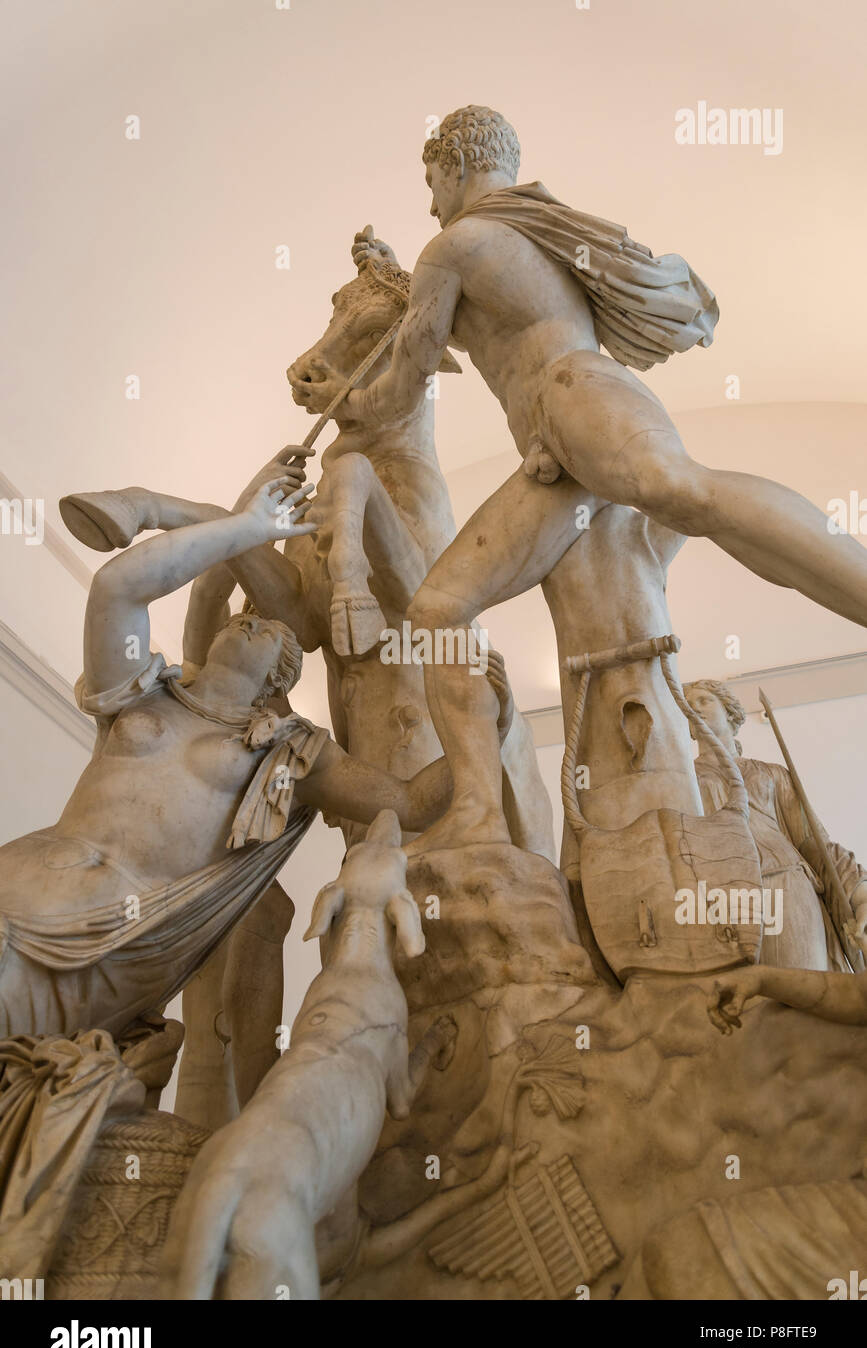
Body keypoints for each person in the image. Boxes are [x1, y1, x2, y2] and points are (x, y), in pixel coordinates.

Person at [296, 105, 867, 853]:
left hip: (576, 395)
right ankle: (473, 805)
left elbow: (403, 386)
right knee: (437, 613)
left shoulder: (455, 242)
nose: (429, 199)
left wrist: (335, 401)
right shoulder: (525, 230)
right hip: (553, 451)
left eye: (431, 180)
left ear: (454, 165)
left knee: (681, 490)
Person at [0, 473, 513, 1041]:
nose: (249, 621)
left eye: (267, 629)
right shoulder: (142, 689)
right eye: (244, 619)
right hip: (18, 882)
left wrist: (488, 724)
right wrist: (245, 528)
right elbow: (116, 588)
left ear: (279, 675)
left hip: (115, 937)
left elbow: (412, 802)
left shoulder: (289, 749)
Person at [685, 678, 867, 970]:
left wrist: (860, 894)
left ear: (730, 713)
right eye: (689, 708)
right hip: (721, 896)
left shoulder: (771, 774)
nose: (695, 709)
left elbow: (814, 842)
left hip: (785, 883)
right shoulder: (682, 781)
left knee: (804, 990)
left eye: (704, 701)